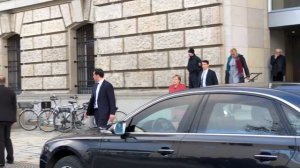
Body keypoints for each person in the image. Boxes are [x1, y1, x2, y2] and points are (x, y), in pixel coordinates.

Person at [0, 76, 16, 167]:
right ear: (5, 82)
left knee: (0, 140)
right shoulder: (11, 91)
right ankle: (10, 159)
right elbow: (14, 106)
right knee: (7, 138)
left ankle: (1, 162)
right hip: (9, 119)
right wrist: (13, 119)